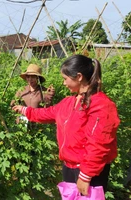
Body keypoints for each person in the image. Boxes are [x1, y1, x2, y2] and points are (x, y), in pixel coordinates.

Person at [12, 55, 120, 196]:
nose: (63, 83)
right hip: (69, 166)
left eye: (65, 78)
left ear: (79, 77)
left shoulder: (100, 104)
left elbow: (99, 144)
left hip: (89, 170)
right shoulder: (69, 102)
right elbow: (48, 113)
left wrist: (86, 175)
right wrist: (25, 110)